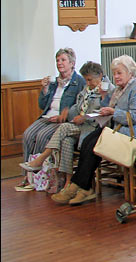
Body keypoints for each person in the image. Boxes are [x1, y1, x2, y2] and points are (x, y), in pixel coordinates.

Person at [51, 55, 136, 205]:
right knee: (88, 141)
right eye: (114, 73)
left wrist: (113, 113)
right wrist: (105, 97)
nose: (116, 77)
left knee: (95, 142)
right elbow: (105, 107)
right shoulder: (119, 89)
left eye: (119, 73)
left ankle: (80, 186)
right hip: (118, 130)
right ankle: (82, 187)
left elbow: (135, 118)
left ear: (130, 73)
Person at [18, 62, 114, 192]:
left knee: (63, 128)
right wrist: (67, 112)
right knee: (66, 141)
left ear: (100, 75)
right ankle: (68, 183)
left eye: (90, 79)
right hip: (80, 126)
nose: (88, 82)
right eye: (86, 80)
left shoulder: (108, 89)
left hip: (93, 128)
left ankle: (41, 159)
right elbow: (78, 106)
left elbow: (105, 111)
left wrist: (84, 116)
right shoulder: (88, 88)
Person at [16, 48, 86, 191]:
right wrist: (45, 89)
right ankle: (27, 175)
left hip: (61, 120)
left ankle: (37, 176)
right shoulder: (54, 82)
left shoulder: (79, 82)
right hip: (47, 116)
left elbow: (80, 105)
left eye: (63, 60)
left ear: (72, 63)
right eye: (57, 60)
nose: (59, 63)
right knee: (28, 134)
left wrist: (65, 115)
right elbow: (42, 105)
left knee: (42, 136)